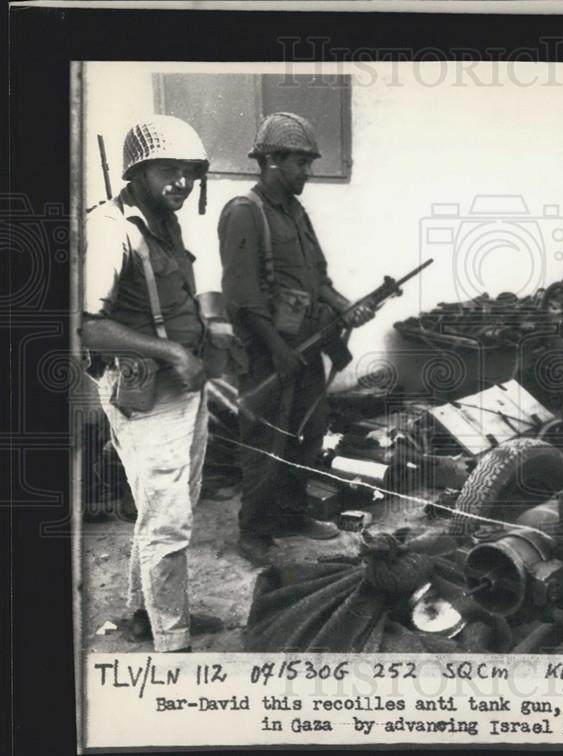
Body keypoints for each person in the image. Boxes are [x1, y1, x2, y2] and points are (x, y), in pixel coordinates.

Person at [82, 115, 224, 652]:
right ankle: (173, 644)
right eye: (169, 170)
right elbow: (87, 323)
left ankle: (150, 615)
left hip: (185, 386)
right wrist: (169, 350)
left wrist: (204, 339)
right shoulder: (110, 229)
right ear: (137, 171)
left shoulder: (166, 222)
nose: (182, 183)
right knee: (167, 522)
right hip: (146, 394)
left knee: (170, 508)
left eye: (190, 173)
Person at [218, 112, 374, 566]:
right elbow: (242, 297)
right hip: (269, 354)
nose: (308, 171)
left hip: (305, 347)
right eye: (301, 162)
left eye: (309, 162)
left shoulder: (296, 212)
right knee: (265, 441)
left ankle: (289, 514)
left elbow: (318, 278)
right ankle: (254, 532)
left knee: (308, 433)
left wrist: (348, 307)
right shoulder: (245, 213)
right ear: (270, 160)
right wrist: (278, 350)